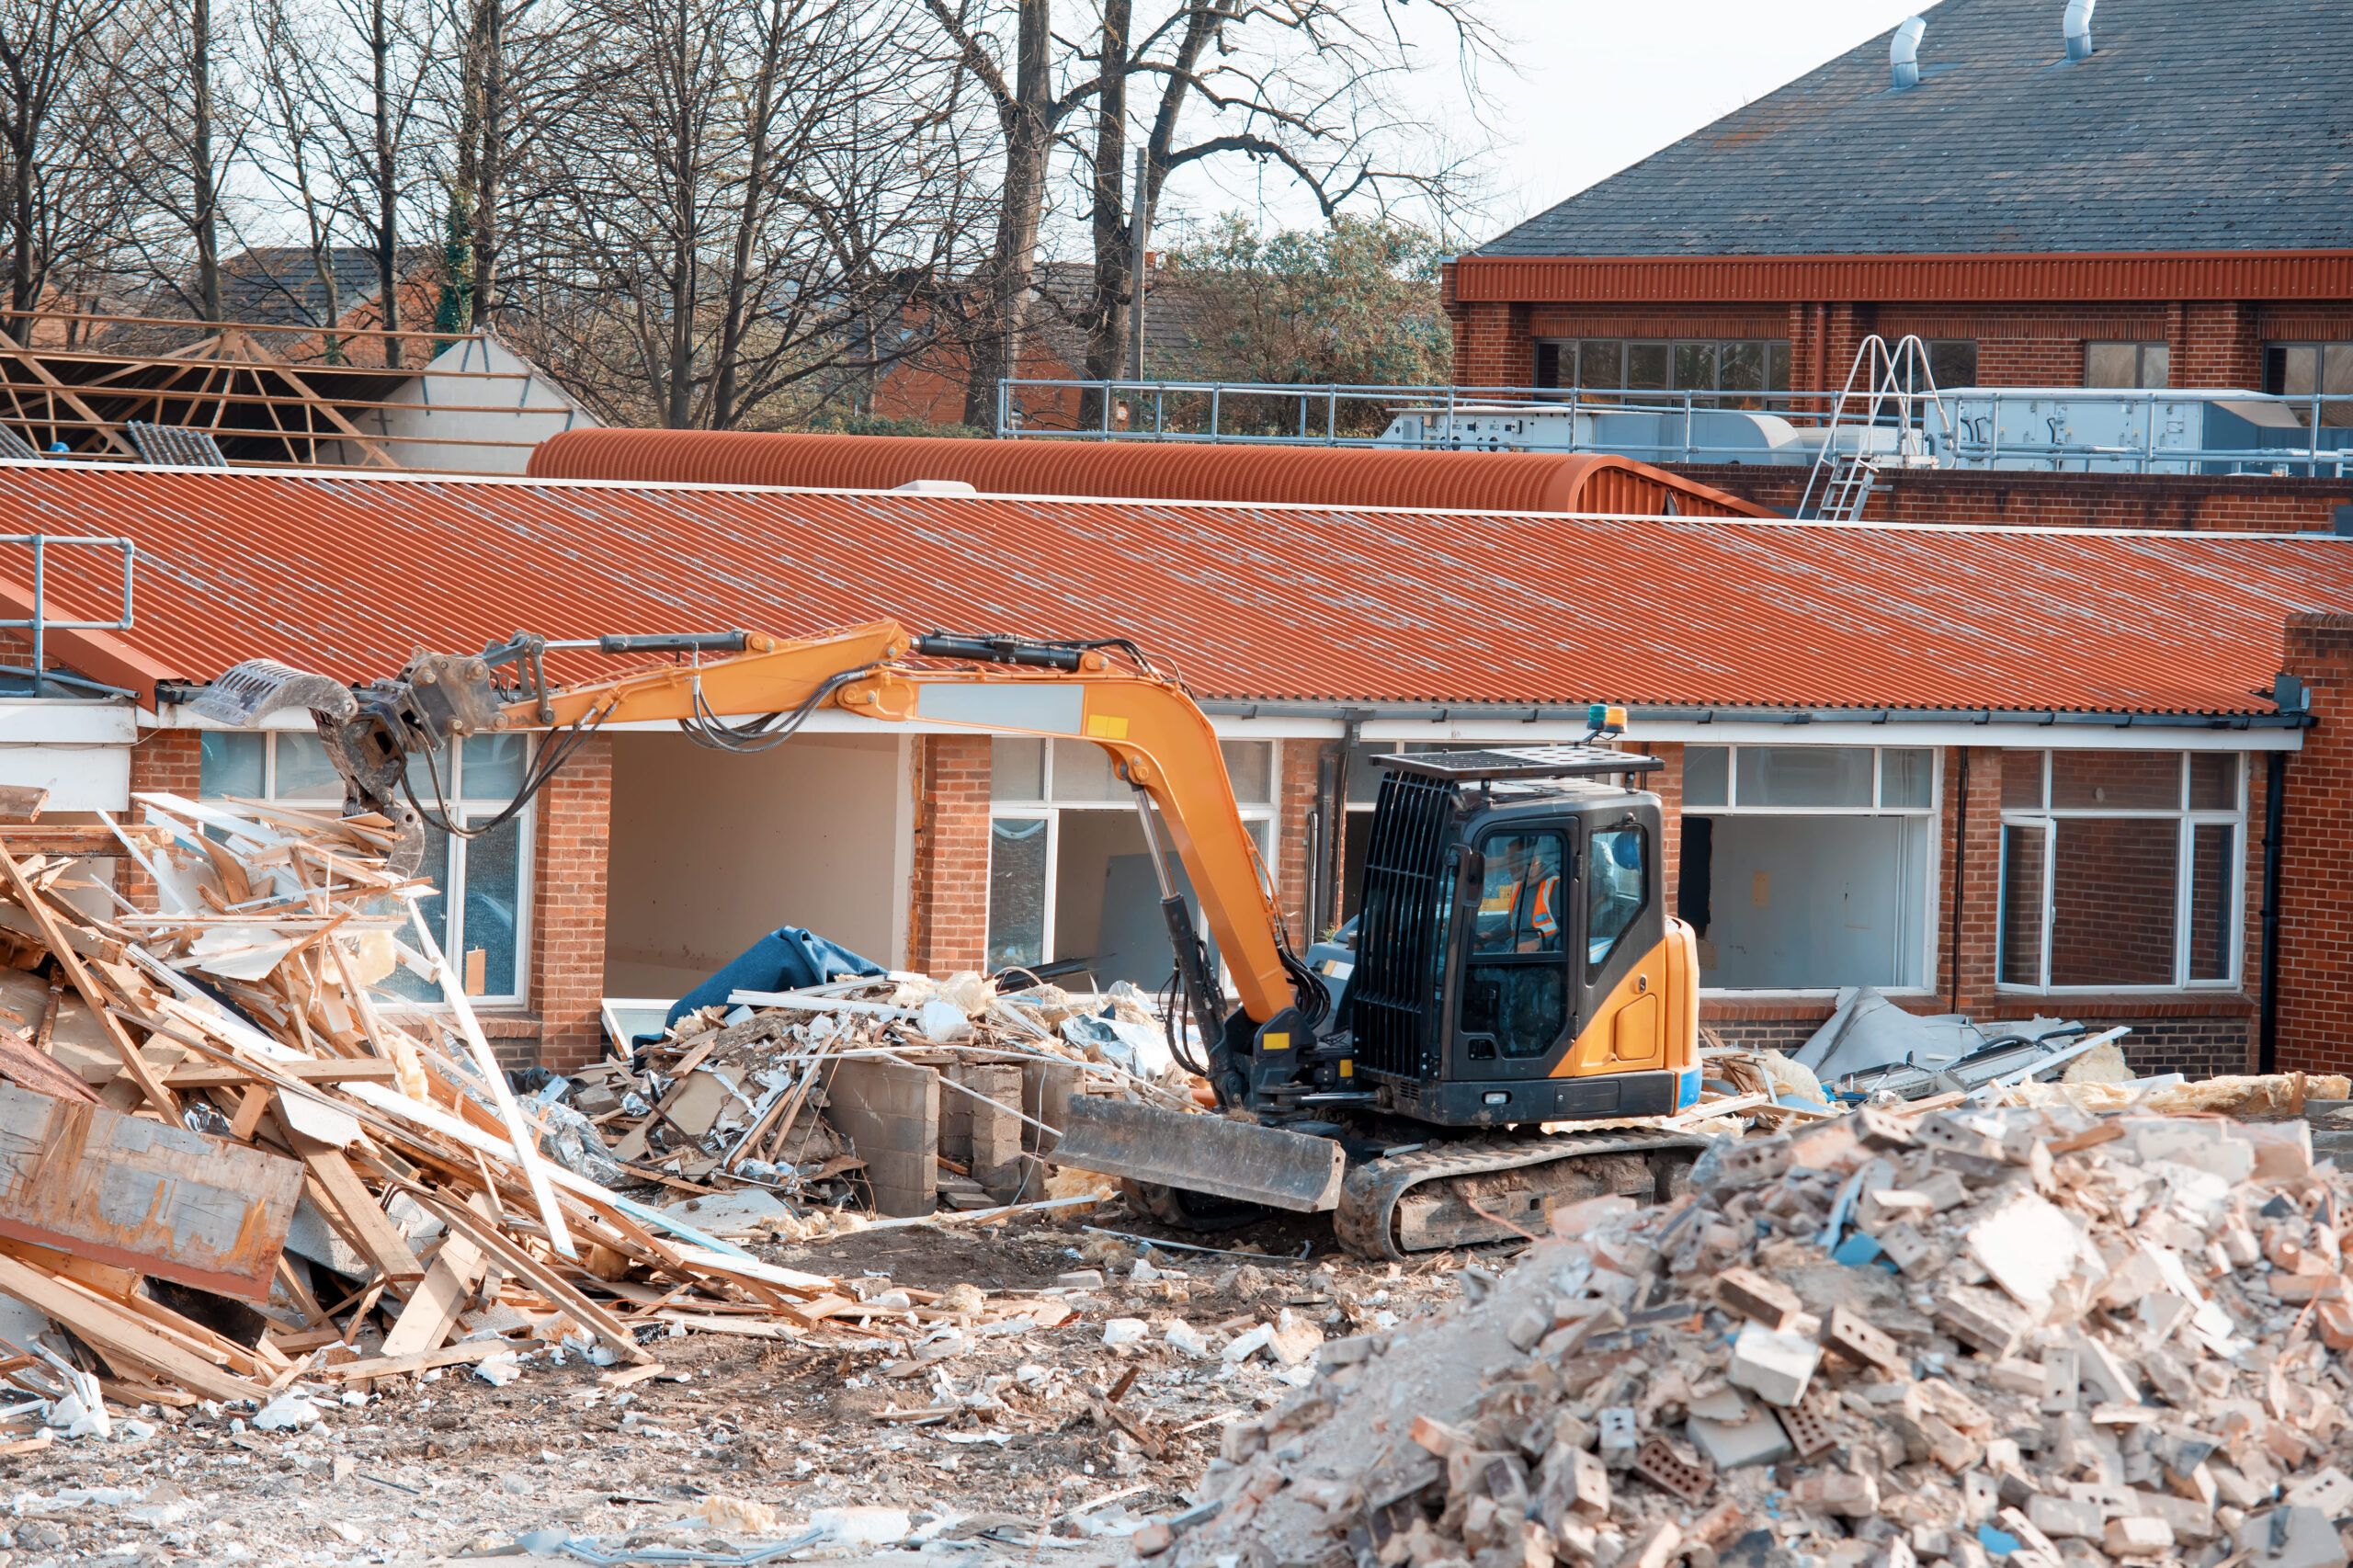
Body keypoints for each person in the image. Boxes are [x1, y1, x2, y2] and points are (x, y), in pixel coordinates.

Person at [1474, 836, 1562, 954]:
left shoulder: (1555, 887)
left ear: (1534, 861)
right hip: (1515, 950)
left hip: (1543, 960)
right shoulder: (1521, 885)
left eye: (1515, 861)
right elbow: (1513, 923)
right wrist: (1491, 935)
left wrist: (1537, 944)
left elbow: (1570, 934)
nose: (1509, 867)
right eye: (1508, 861)